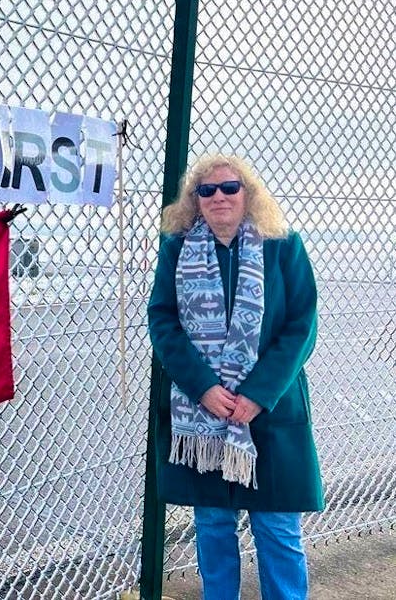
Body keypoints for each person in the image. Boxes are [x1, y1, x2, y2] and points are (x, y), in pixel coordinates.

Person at [148, 153, 323, 600]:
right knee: (212, 525)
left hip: (270, 410)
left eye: (230, 187)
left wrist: (258, 393)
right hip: (203, 416)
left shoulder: (282, 244)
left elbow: (302, 325)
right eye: (206, 190)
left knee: (277, 526)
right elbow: (163, 320)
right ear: (195, 200)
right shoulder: (177, 248)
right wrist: (203, 387)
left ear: (248, 194)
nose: (219, 197)